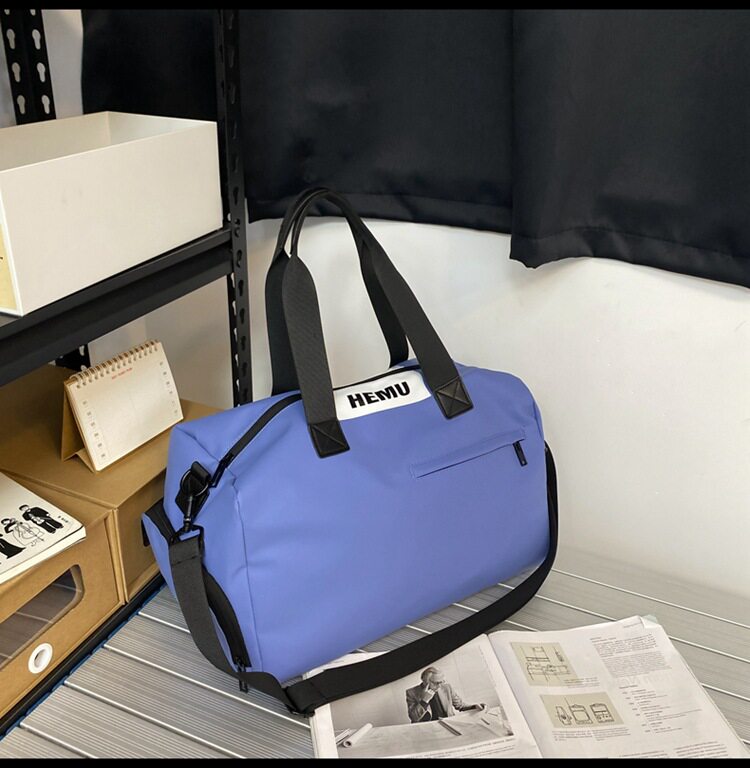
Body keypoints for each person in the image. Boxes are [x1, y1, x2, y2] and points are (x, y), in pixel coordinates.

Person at [406, 667, 485, 723]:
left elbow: (460, 706)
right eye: (437, 683)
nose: (440, 686)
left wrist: (474, 706)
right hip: (426, 728)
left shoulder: (447, 687)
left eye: (442, 681)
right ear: (425, 682)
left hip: (448, 724)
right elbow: (414, 717)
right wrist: (424, 701)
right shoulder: (411, 692)